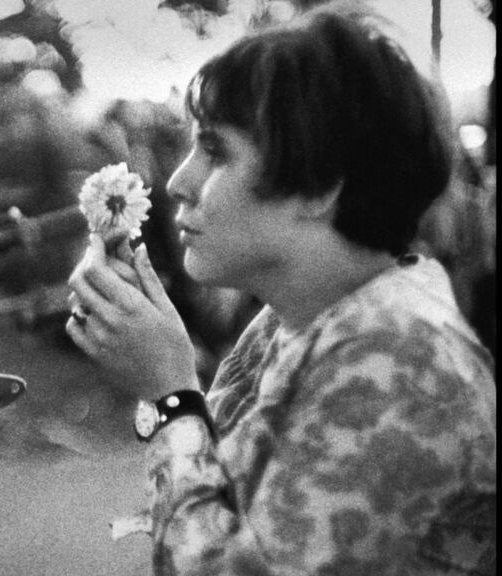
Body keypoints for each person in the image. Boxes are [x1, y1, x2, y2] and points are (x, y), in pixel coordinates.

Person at [66, 4, 496, 575]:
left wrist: (168, 392)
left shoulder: (401, 360)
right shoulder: (293, 321)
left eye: (216, 151)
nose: (177, 182)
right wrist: (159, 383)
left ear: (320, 184)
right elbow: (216, 497)